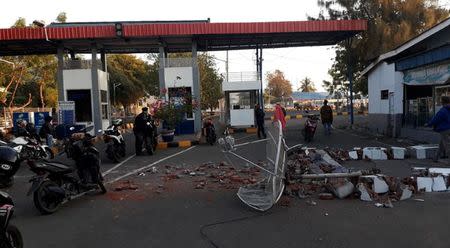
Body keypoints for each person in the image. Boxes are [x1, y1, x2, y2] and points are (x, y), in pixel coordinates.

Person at [426, 96, 450, 162]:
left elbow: (436, 119)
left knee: (447, 145)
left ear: (443, 102)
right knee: (442, 144)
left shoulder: (443, 110)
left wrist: (428, 124)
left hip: (444, 129)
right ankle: (436, 158)